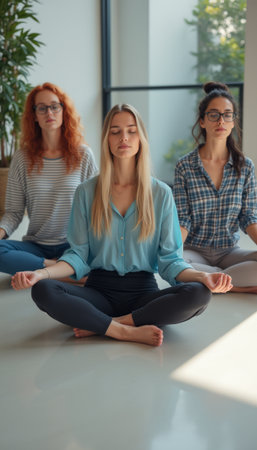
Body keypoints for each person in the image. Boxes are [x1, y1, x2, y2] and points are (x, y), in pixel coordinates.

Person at [11, 104, 232, 347]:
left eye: (131, 130)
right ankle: (124, 330)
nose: (124, 137)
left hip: (144, 294)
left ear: (141, 138)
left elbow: (171, 261)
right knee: (43, 290)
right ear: (107, 139)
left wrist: (203, 276)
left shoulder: (161, 194)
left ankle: (108, 324)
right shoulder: (87, 192)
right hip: (98, 291)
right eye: (115, 131)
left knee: (199, 293)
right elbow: (78, 256)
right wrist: (39, 274)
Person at [0, 82, 98, 276]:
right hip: (36, 246)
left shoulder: (83, 155)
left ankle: (53, 269)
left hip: (74, 244)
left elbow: (96, 208)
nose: (49, 113)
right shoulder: (22, 157)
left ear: (63, 110)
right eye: (42, 108)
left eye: (54, 106)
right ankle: (57, 268)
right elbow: (13, 212)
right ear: (34, 115)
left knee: (101, 257)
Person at [173, 81, 257, 294]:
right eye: (214, 114)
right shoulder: (185, 166)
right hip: (193, 252)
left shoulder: (245, 167)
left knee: (189, 278)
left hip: (229, 253)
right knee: (175, 266)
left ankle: (210, 281)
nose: (221, 120)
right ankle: (235, 285)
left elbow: (249, 218)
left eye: (227, 114)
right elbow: (183, 219)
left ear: (232, 122)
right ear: (202, 121)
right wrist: (171, 255)